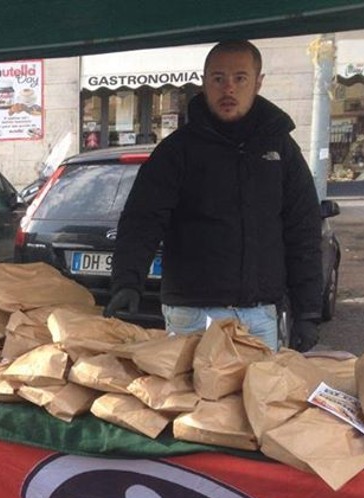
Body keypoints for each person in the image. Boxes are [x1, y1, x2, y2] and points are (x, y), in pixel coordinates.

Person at [104, 40, 323, 353]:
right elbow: (143, 219)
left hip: (259, 316)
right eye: (218, 79)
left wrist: (309, 311)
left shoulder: (282, 150)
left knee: (258, 401)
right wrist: (127, 281)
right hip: (192, 315)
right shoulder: (177, 151)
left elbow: (303, 229)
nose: (228, 89)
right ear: (204, 82)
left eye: (240, 78)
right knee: (189, 402)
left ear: (258, 82)